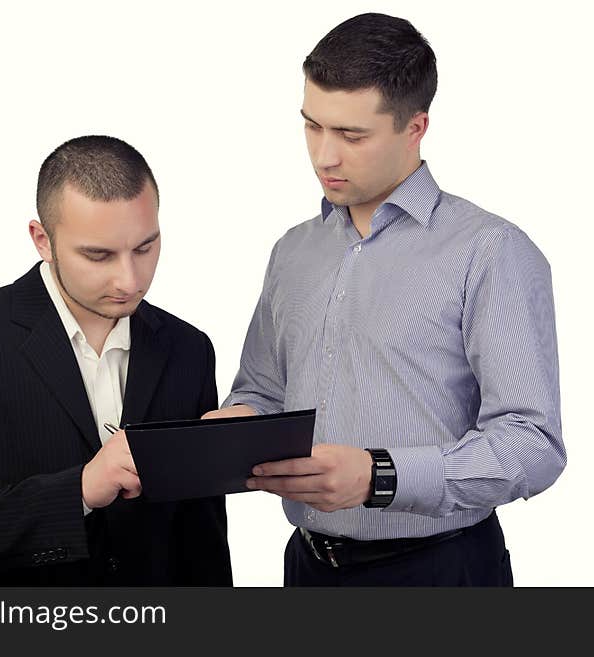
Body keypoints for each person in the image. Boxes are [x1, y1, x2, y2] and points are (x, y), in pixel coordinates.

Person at [204, 13, 566, 586]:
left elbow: (532, 443)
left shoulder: (491, 251)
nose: (324, 156)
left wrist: (381, 476)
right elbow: (263, 389)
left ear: (415, 126)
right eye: (312, 126)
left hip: (439, 573)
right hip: (306, 566)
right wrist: (231, 429)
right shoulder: (292, 251)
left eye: (351, 136)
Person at [0, 135, 232, 586]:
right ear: (43, 240)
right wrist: (79, 490)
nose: (130, 279)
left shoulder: (189, 349)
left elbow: (202, 544)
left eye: (144, 247)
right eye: (99, 255)